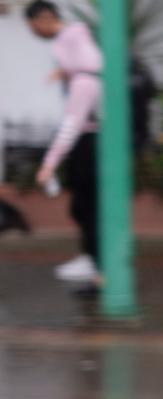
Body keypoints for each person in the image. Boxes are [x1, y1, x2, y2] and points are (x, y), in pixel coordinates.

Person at [24, 0, 103, 284]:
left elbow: (72, 124)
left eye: (33, 27)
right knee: (83, 206)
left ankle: (99, 270)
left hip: (88, 143)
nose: (35, 33)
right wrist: (65, 72)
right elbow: (86, 58)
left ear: (44, 20)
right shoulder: (81, 57)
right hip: (89, 141)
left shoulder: (84, 81)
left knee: (87, 208)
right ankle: (92, 261)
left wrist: (49, 165)